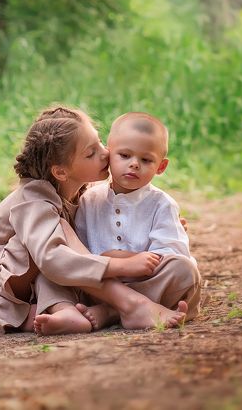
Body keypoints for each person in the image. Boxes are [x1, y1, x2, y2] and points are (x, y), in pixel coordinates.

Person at [0, 105, 188, 337]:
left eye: (100, 142)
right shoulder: (35, 200)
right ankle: (128, 304)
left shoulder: (79, 191)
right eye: (91, 152)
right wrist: (119, 266)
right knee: (58, 241)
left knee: (64, 249)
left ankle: (61, 312)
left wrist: (152, 226)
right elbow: (53, 260)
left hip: (33, 276)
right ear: (61, 171)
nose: (105, 153)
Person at [69, 112, 201, 331]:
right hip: (103, 285)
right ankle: (119, 307)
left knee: (184, 269)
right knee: (69, 269)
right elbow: (79, 253)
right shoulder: (89, 200)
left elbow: (172, 252)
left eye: (146, 160)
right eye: (124, 155)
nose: (134, 164)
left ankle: (112, 311)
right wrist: (112, 260)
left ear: (161, 166)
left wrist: (130, 259)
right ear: (108, 155)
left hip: (150, 283)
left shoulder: (162, 204)